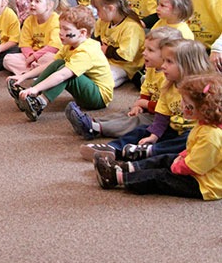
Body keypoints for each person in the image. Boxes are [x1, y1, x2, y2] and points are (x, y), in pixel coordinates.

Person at [93, 72, 222, 201]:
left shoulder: (211, 136)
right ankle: (128, 167)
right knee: (164, 159)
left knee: (160, 177)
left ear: (205, 111)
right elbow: (194, 149)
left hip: (204, 185)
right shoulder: (203, 124)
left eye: (188, 106)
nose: (182, 106)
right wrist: (181, 157)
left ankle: (116, 178)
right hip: (195, 168)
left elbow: (196, 167)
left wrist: (176, 166)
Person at [81, 38, 214, 162]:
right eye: (164, 60)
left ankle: (148, 151)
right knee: (143, 130)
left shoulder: (204, 89)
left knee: (185, 141)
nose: (163, 66)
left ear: (187, 65)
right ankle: (113, 148)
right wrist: (153, 135)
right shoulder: (168, 85)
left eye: (169, 62)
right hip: (173, 128)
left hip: (196, 133)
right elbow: (162, 116)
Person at [66, 27, 183, 140]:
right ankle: (91, 123)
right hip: (149, 108)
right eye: (145, 48)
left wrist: (144, 104)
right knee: (126, 113)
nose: (144, 53)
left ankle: (96, 128)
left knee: (135, 121)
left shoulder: (169, 76)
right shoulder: (152, 69)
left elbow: (167, 107)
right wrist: (138, 105)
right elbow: (146, 89)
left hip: (163, 118)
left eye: (150, 50)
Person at [7, 6, 114, 121]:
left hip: (98, 98)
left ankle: (39, 103)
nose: (61, 33)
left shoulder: (86, 51)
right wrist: (23, 76)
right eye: (60, 28)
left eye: (66, 29)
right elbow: (51, 64)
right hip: (87, 88)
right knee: (58, 63)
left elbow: (62, 75)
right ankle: (29, 96)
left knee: (66, 72)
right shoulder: (69, 45)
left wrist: (37, 88)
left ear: (82, 33)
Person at [90, 0, 145, 87]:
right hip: (106, 60)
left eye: (98, 9)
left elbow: (126, 56)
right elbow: (96, 39)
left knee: (102, 80)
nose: (97, 14)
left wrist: (107, 51)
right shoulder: (103, 21)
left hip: (125, 65)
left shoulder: (131, 27)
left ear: (111, 8)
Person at [3, 0, 63, 76]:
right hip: (32, 57)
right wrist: (30, 56)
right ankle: (38, 71)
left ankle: (33, 71)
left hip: (48, 55)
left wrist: (35, 57)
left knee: (51, 59)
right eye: (31, 1)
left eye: (37, 1)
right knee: (8, 59)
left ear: (50, 5)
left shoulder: (56, 20)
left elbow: (54, 47)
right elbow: (24, 43)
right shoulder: (29, 20)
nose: (32, 4)